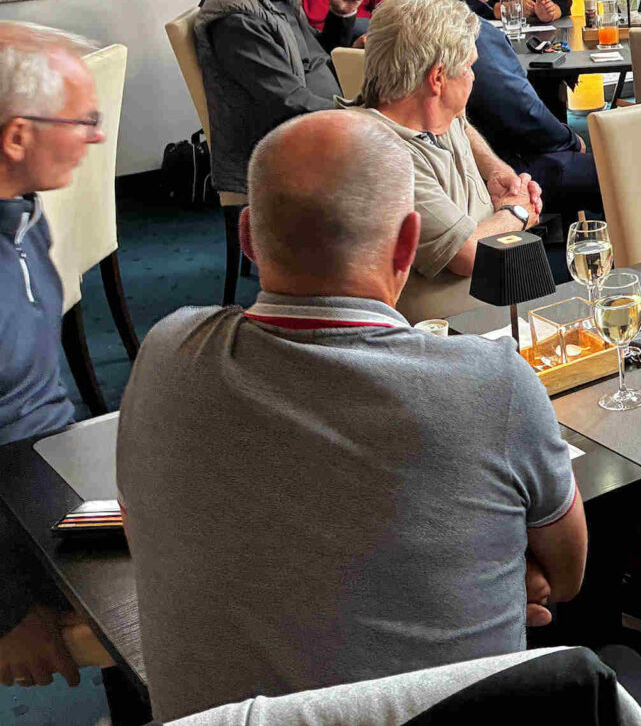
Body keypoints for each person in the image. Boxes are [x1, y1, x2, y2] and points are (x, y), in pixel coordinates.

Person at [116, 110, 589, 721]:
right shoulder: (493, 385)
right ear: (408, 243)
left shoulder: (166, 352)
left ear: (249, 239)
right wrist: (489, 575)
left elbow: (148, 528)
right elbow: (568, 574)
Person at [0, 23, 102, 691]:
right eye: (83, 120)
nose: (97, 136)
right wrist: (7, 613)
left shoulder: (22, 214)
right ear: (16, 136)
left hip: (47, 469)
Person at [351, 0, 547, 319]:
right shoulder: (383, 155)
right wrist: (516, 214)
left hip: (502, 296)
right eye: (469, 67)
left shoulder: (429, 107)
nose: (473, 75)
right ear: (438, 78)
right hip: (453, 331)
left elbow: (463, 125)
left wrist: (496, 172)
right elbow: (466, 252)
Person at [408, 0, 598, 217]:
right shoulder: (467, 28)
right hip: (507, 167)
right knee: (622, 169)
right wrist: (571, 139)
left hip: (439, 174)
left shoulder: (400, 16)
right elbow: (520, 111)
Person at [193, 0, 361, 198]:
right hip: (283, 146)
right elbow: (287, 101)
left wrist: (341, 13)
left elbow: (315, 58)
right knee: (405, 155)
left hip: (317, 126)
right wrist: (362, 116)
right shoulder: (237, 18)